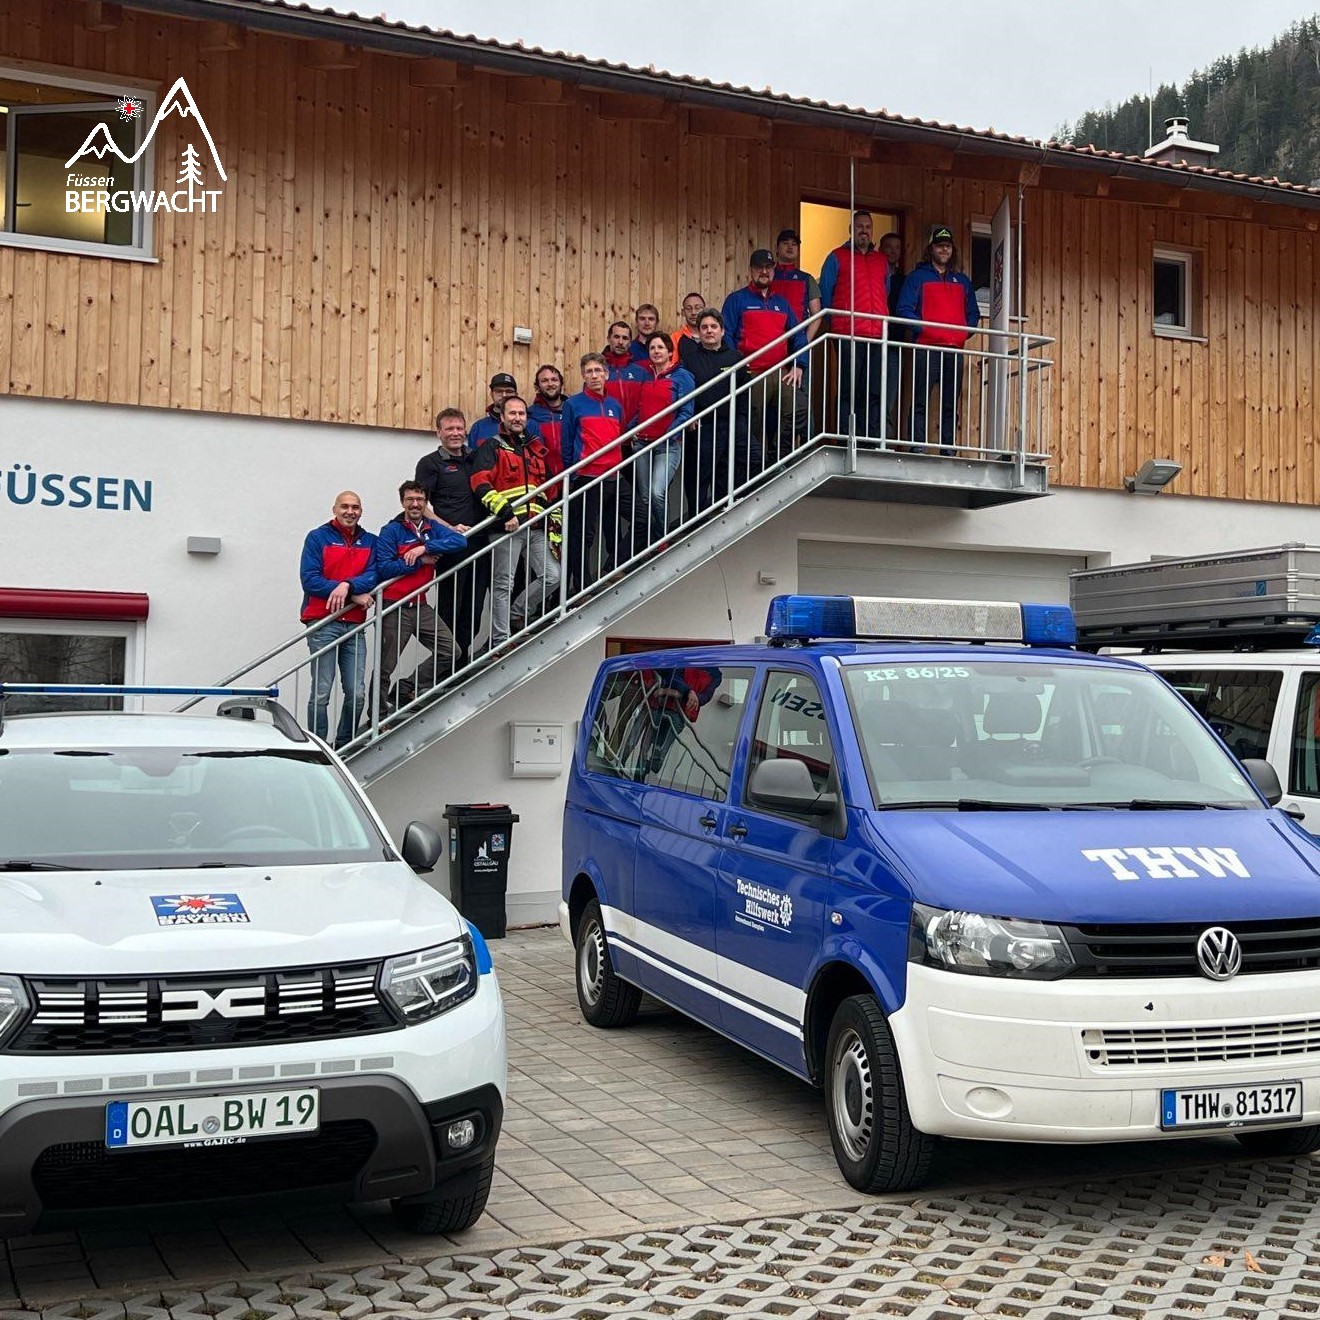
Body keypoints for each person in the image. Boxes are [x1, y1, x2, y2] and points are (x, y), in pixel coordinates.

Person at [470, 394, 562, 645]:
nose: (517, 418)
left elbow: (551, 490)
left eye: (521, 413)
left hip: (536, 526)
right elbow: (479, 483)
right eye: (512, 413)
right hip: (506, 527)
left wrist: (553, 523)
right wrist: (506, 513)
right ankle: (501, 639)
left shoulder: (534, 447)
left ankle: (516, 613)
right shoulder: (492, 446)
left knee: (553, 576)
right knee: (503, 585)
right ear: (502, 417)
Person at [374, 481, 467, 716]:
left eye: (419, 500)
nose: (415, 504)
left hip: (420, 605)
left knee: (450, 651)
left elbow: (460, 541)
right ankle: (378, 715)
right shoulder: (391, 531)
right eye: (410, 500)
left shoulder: (431, 527)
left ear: (426, 503)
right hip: (394, 606)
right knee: (386, 666)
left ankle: (405, 688)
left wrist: (424, 547)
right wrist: (417, 561)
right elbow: (384, 568)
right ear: (402, 502)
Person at [298, 490, 377, 748]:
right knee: (321, 693)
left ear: (361, 511)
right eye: (344, 506)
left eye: (355, 507)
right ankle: (319, 747)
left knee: (357, 693)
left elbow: (373, 575)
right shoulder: (317, 537)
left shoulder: (370, 541)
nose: (350, 511)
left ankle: (344, 744)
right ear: (334, 509)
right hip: (322, 623)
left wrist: (347, 586)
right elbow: (310, 580)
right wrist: (352, 594)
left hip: (355, 625)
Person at [722, 249, 807, 482]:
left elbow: (799, 336)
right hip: (752, 373)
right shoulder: (737, 300)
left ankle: (777, 459)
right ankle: (756, 473)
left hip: (780, 372)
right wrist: (737, 367)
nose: (764, 271)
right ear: (751, 270)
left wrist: (799, 364)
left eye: (769, 268)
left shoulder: (782, 303)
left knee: (799, 408)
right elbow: (726, 335)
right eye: (759, 267)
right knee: (754, 422)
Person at [896, 225, 981, 450]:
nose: (944, 250)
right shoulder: (917, 277)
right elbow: (904, 309)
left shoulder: (962, 281)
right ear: (931, 248)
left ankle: (948, 446)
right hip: (926, 347)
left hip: (954, 349)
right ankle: (917, 446)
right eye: (939, 245)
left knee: (950, 402)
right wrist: (924, 329)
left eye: (948, 246)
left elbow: (974, 314)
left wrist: (963, 332)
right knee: (920, 400)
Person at [415, 407, 490, 658]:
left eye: (459, 428)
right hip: (451, 545)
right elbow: (421, 507)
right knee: (450, 605)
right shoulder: (430, 464)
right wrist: (449, 529)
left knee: (475, 605)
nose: (455, 433)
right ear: (439, 433)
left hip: (481, 540)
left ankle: (463, 657)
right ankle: (447, 660)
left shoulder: (475, 457)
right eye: (449, 429)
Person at [561, 352, 630, 593]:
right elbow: (567, 442)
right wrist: (571, 475)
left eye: (598, 371)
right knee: (585, 535)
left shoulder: (615, 405)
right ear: (583, 376)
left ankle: (613, 566)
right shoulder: (573, 404)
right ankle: (582, 586)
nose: (594, 376)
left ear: (606, 374)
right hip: (587, 477)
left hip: (615, 476)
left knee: (643, 517)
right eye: (589, 372)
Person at [819, 209, 891, 438]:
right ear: (851, 230)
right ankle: (846, 435)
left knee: (872, 389)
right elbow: (825, 294)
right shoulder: (836, 256)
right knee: (849, 388)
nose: (864, 231)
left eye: (868, 227)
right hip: (847, 332)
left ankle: (868, 437)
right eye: (859, 226)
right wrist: (837, 322)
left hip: (876, 333)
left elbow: (885, 291)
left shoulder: (881, 260)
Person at [628, 332, 694, 547]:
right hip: (642, 444)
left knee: (657, 493)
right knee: (645, 497)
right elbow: (642, 412)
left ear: (670, 352)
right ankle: (651, 541)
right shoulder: (646, 378)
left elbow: (686, 411)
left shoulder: (682, 376)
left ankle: (661, 537)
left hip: (667, 445)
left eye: (660, 348)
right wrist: (631, 431)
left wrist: (669, 434)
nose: (656, 351)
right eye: (652, 348)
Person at [679, 308, 741, 517]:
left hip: (729, 425)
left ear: (722, 331)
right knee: (699, 473)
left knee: (725, 471)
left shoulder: (735, 357)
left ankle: (721, 512)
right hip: (701, 426)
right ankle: (696, 516)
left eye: (713, 327)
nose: (709, 331)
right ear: (699, 332)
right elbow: (683, 391)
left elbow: (744, 392)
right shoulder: (689, 358)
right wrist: (689, 416)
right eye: (704, 327)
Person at [770, 229, 823, 340]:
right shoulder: (767, 277)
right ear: (777, 248)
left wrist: (805, 341)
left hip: (796, 339)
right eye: (785, 243)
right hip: (771, 339)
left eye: (794, 244)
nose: (790, 247)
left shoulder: (807, 279)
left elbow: (817, 315)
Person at [467, 372, 541, 450]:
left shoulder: (531, 426)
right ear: (492, 394)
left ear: (516, 394)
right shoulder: (478, 427)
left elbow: (539, 458)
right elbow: (472, 459)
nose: (504, 395)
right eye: (499, 391)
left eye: (509, 391)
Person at [879, 232, 908, 430]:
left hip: (895, 343)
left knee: (889, 394)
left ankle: (884, 437)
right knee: (868, 392)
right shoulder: (875, 276)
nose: (893, 251)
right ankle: (866, 436)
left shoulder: (903, 280)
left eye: (897, 247)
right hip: (871, 339)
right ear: (880, 249)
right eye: (888, 246)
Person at [528, 364, 567, 469]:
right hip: (543, 479)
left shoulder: (572, 410)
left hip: (572, 478)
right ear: (537, 386)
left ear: (561, 384)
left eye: (554, 379)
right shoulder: (529, 414)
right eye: (544, 381)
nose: (550, 384)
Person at [672, 292, 705, 363]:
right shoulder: (675, 338)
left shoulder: (712, 334)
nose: (693, 312)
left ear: (704, 310)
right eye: (689, 308)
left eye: (697, 308)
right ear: (683, 312)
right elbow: (673, 365)